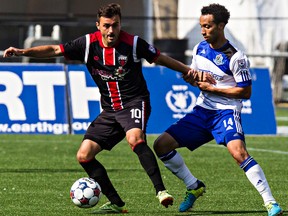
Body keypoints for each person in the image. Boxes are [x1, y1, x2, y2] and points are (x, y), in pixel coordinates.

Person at [3, 3, 214, 214]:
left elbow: (161, 58)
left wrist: (189, 70)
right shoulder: (86, 43)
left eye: (115, 25)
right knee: (84, 155)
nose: (111, 30)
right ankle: (116, 203)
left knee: (135, 139)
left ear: (120, 24)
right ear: (98, 26)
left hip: (134, 101)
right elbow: (55, 49)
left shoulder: (132, 43)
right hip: (110, 110)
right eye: (106, 26)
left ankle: (160, 191)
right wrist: (23, 51)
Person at [153, 3, 283, 216]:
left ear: (221, 26)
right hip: (203, 111)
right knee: (161, 145)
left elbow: (245, 92)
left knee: (239, 153)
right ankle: (194, 186)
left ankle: (270, 202)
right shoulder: (199, 49)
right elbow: (197, 80)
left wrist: (213, 88)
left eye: (208, 26)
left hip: (226, 112)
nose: (203, 31)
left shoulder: (235, 56)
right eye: (201, 26)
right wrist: (191, 79)